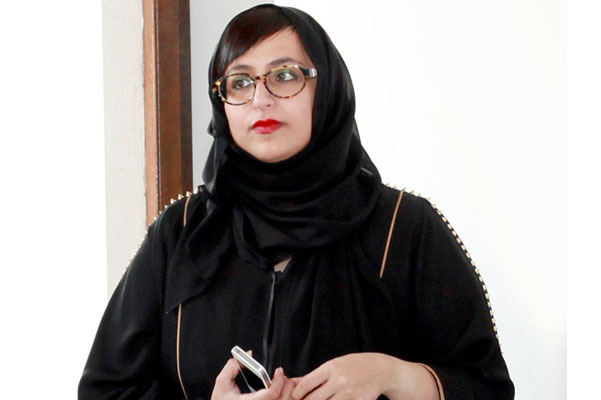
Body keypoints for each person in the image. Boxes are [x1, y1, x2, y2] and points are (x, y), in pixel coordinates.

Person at [79, 4, 514, 400]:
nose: (261, 99)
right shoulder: (183, 232)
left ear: (327, 88)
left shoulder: (403, 228)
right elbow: (105, 391)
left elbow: (486, 386)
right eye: (240, 82)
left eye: (285, 75)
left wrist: (394, 376)